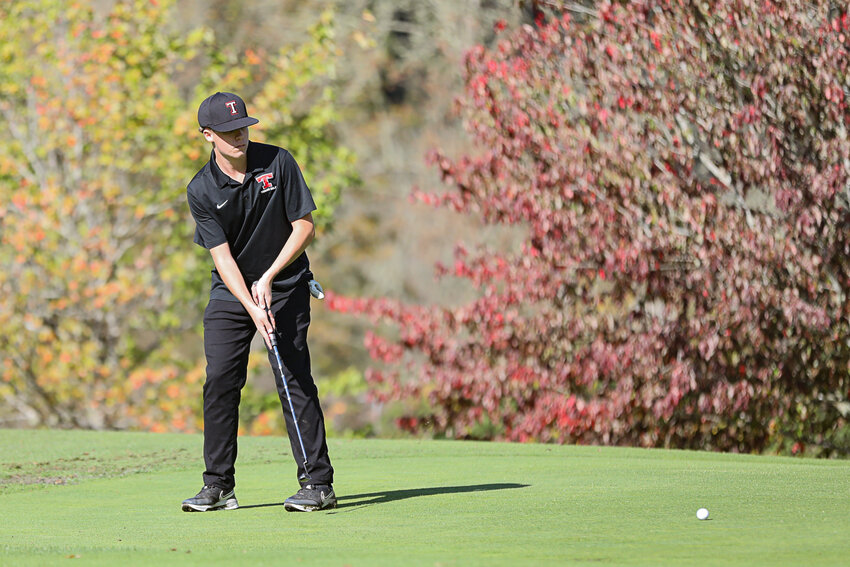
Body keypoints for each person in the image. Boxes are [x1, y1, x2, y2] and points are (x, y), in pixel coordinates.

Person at [181, 92, 335, 512]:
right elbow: (222, 257)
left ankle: (318, 484)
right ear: (208, 135)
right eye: (230, 132)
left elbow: (305, 226)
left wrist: (269, 278)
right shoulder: (200, 189)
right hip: (233, 290)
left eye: (244, 128)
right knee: (220, 382)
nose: (240, 137)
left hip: (284, 282)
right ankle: (218, 485)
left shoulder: (278, 162)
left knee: (292, 375)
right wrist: (251, 303)